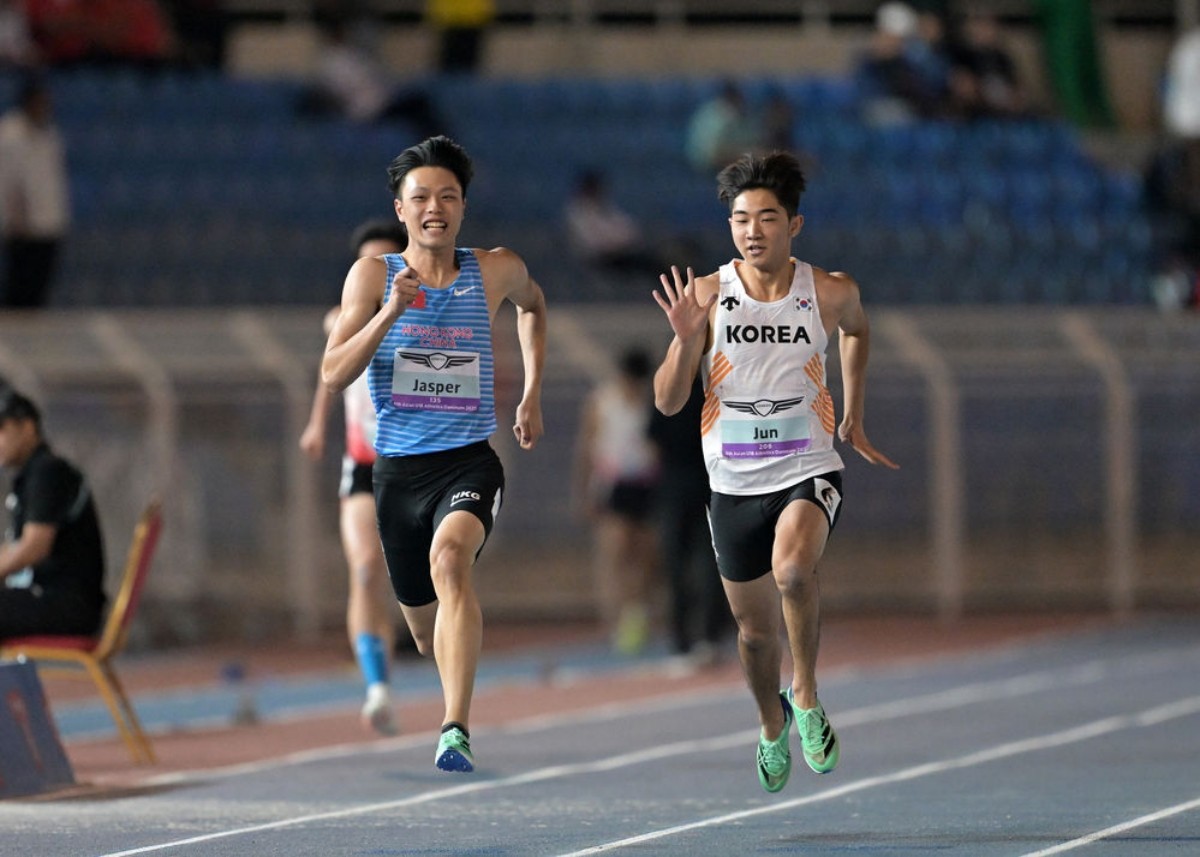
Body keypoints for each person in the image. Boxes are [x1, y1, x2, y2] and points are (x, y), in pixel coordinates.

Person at [651, 150, 898, 794]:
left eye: (766, 217)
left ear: (796, 224)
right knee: (755, 635)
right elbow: (669, 401)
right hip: (732, 484)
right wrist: (683, 341)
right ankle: (770, 722)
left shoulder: (831, 291)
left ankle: (808, 695)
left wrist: (855, 413)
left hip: (807, 468)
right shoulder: (707, 295)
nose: (752, 230)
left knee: (793, 570)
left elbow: (859, 332)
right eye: (740, 219)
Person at [321, 135, 547, 774]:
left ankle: (455, 727)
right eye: (421, 196)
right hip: (395, 474)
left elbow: (534, 306)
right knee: (422, 633)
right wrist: (389, 312)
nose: (434, 207)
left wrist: (530, 393)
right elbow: (334, 373)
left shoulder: (496, 268)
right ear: (401, 209)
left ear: (463, 207)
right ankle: (441, 670)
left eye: (447, 196)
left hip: (469, 459)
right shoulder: (373, 277)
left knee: (452, 562)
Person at [300, 218, 409, 736]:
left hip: (421, 463)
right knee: (366, 569)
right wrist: (318, 424)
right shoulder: (344, 317)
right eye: (366, 265)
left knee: (426, 581)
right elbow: (332, 368)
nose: (375, 273)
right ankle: (377, 687)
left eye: (385, 263)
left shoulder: (432, 315)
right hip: (365, 467)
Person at [0, 389, 107, 641]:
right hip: (56, 600)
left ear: (27, 427)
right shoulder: (33, 475)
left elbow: (34, 547)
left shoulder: (47, 472)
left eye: (1, 429)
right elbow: (15, 548)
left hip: (66, 604)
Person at [573, 346, 660, 655]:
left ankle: (638, 614)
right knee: (616, 552)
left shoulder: (653, 401)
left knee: (646, 557)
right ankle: (616, 620)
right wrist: (584, 491)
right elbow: (586, 449)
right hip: (613, 484)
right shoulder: (601, 402)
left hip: (648, 484)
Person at [647, 377, 729, 664]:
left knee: (676, 565)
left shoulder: (666, 389)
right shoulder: (714, 392)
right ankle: (710, 633)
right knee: (712, 562)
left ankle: (680, 637)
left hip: (674, 489)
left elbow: (652, 442)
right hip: (710, 484)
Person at [0, 75, 70, 309]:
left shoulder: (49, 133)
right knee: (19, 290)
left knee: (39, 291)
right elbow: (8, 179)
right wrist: (13, 217)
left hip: (47, 223)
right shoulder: (10, 133)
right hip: (22, 226)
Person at [685, 79, 760, 174]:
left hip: (706, 161)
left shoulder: (710, 108)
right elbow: (714, 153)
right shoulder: (725, 113)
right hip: (708, 164)